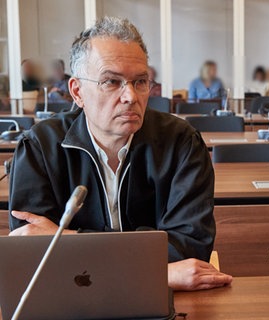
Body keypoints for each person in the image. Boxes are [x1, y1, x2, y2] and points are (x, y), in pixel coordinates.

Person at [8, 17, 232, 292]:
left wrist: (66, 239)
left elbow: (189, 247)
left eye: (140, 82)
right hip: (71, 297)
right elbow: (32, 257)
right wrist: (160, 274)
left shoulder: (182, 142)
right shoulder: (39, 147)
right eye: (111, 82)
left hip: (163, 303)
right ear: (78, 92)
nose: (130, 96)